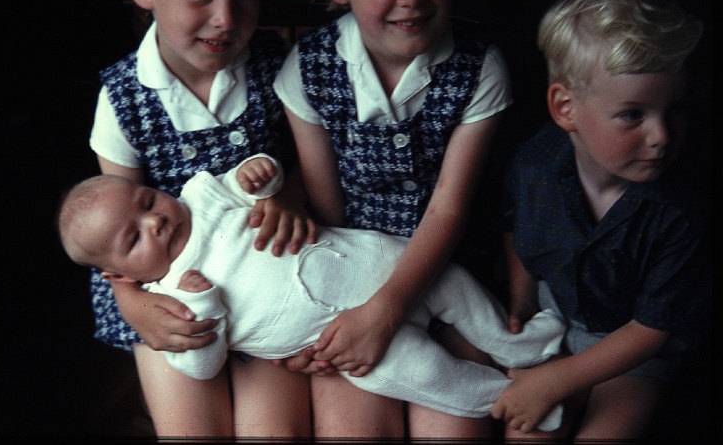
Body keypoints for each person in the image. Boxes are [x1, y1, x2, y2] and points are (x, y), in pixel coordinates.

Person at [58, 154, 566, 431]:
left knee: (453, 285)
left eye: (148, 201)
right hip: (342, 343)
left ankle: (523, 345)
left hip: (377, 265)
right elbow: (201, 365)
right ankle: (508, 399)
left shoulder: (200, 194)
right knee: (424, 376)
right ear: (118, 276)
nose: (154, 221)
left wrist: (261, 173)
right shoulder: (171, 301)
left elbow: (255, 182)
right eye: (134, 239)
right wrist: (204, 305)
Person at [272, 0, 513, 439]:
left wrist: (386, 314)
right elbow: (328, 213)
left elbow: (448, 210)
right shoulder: (308, 68)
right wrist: (329, 322)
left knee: (453, 431)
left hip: (450, 275)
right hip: (351, 281)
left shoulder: (479, 66)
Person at [87, 0, 316, 438]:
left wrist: (291, 192)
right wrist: (133, 303)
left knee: (273, 433)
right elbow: (116, 227)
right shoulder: (123, 97)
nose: (226, 19)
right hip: (167, 290)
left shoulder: (276, 64)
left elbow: (314, 159)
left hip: (267, 278)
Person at [492, 0, 710, 441]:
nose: (662, 136)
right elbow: (514, 225)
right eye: (633, 115)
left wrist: (557, 380)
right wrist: (522, 299)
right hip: (557, 317)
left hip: (636, 349)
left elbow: (652, 330)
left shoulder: (679, 212)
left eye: (676, 110)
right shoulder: (535, 166)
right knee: (526, 432)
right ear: (565, 108)